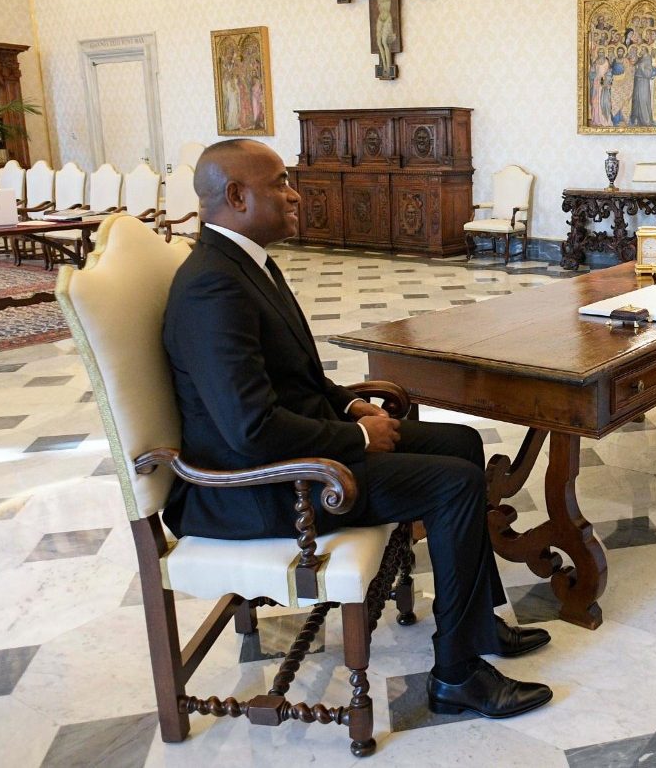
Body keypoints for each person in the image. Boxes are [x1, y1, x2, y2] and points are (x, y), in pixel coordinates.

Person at [162, 139, 553, 718]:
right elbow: (250, 429)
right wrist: (359, 441)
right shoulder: (211, 286)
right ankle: (456, 675)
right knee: (452, 484)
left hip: (287, 454)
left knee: (462, 444)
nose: (294, 193)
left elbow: (295, 381)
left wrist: (349, 409)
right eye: (279, 183)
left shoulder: (243, 265)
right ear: (237, 195)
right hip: (254, 487)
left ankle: (478, 626)